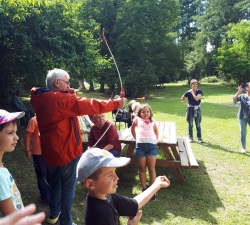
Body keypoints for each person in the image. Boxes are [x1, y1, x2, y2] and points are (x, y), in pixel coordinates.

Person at [30, 68, 126, 225]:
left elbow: (65, 108)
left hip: (51, 151)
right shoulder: (58, 100)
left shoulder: (43, 97)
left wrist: (68, 93)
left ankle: (54, 215)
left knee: (55, 183)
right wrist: (115, 103)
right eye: (67, 83)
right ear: (57, 82)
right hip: (66, 151)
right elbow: (88, 105)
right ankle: (66, 221)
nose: (69, 86)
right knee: (68, 187)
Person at [76, 148, 170, 225]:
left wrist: (157, 184)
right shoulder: (99, 215)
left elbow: (133, 204)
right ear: (90, 184)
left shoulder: (106, 196)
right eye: (110, 175)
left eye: (115, 172)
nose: (117, 178)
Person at [131, 104, 159, 201]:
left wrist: (157, 139)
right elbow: (132, 129)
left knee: (152, 169)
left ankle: (153, 191)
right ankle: (144, 189)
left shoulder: (152, 121)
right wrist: (136, 138)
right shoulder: (137, 120)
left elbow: (156, 131)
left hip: (151, 146)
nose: (145, 113)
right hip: (140, 147)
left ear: (150, 113)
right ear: (139, 113)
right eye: (143, 112)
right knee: (142, 168)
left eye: (147, 112)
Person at [24, 115, 50, 204]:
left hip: (52, 153)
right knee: (42, 174)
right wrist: (27, 150)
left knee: (51, 173)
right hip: (38, 153)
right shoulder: (33, 120)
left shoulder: (51, 118)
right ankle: (44, 195)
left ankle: (51, 192)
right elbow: (28, 135)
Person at [181, 79, 204, 143]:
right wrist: (187, 102)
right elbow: (182, 97)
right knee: (190, 124)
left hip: (197, 109)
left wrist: (192, 93)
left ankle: (199, 138)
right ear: (191, 85)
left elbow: (197, 99)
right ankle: (190, 137)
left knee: (198, 124)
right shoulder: (188, 92)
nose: (195, 85)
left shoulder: (199, 92)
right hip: (190, 109)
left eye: (196, 84)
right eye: (193, 84)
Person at [233, 82, 250, 153]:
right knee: (243, 132)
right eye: (246, 86)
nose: (247, 87)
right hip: (242, 116)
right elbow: (234, 100)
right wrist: (239, 91)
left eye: (248, 86)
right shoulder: (242, 96)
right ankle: (243, 148)